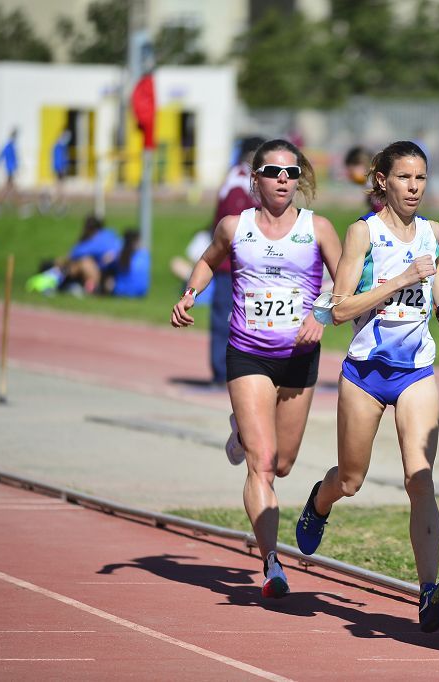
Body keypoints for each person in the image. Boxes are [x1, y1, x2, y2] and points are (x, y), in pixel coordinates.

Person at [294, 140, 439, 634]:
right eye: (405, 178)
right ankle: (319, 503)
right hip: (365, 371)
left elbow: (436, 269)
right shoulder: (362, 234)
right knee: (351, 479)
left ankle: (429, 591)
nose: (415, 187)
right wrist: (400, 279)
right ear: (383, 181)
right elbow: (340, 308)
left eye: (422, 178)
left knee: (420, 477)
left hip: (416, 371)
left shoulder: (433, 231)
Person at [171, 139, 341, 598]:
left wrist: (319, 315)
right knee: (261, 465)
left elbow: (348, 281)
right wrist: (190, 295)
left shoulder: (318, 229)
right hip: (247, 353)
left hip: (299, 358)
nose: (283, 179)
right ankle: (272, 564)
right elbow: (207, 262)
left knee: (283, 464)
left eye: (291, 171)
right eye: (272, 171)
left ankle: (242, 431)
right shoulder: (235, 226)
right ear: (256, 179)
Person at [209, 136, 266, 386]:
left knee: (251, 319)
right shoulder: (238, 183)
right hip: (231, 265)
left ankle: (247, 369)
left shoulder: (250, 180)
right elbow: (236, 228)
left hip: (247, 265)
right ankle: (222, 372)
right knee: (226, 317)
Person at [63, 214, 123, 295]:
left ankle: (89, 289)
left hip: (108, 275)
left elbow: (73, 254)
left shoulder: (95, 239)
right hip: (118, 273)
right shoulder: (110, 233)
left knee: (83, 262)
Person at [103, 229, 150, 298]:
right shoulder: (145, 254)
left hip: (121, 291)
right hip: (141, 293)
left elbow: (105, 263)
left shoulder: (120, 255)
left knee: (108, 274)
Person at [0, 127, 20, 216]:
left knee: (10, 188)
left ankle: (17, 206)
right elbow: (5, 156)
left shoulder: (11, 145)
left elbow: (4, 156)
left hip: (10, 169)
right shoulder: (9, 146)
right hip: (10, 170)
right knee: (7, 189)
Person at [344, 145, 384, 213]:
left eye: (350, 171)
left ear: (362, 163)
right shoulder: (372, 187)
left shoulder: (378, 188)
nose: (349, 176)